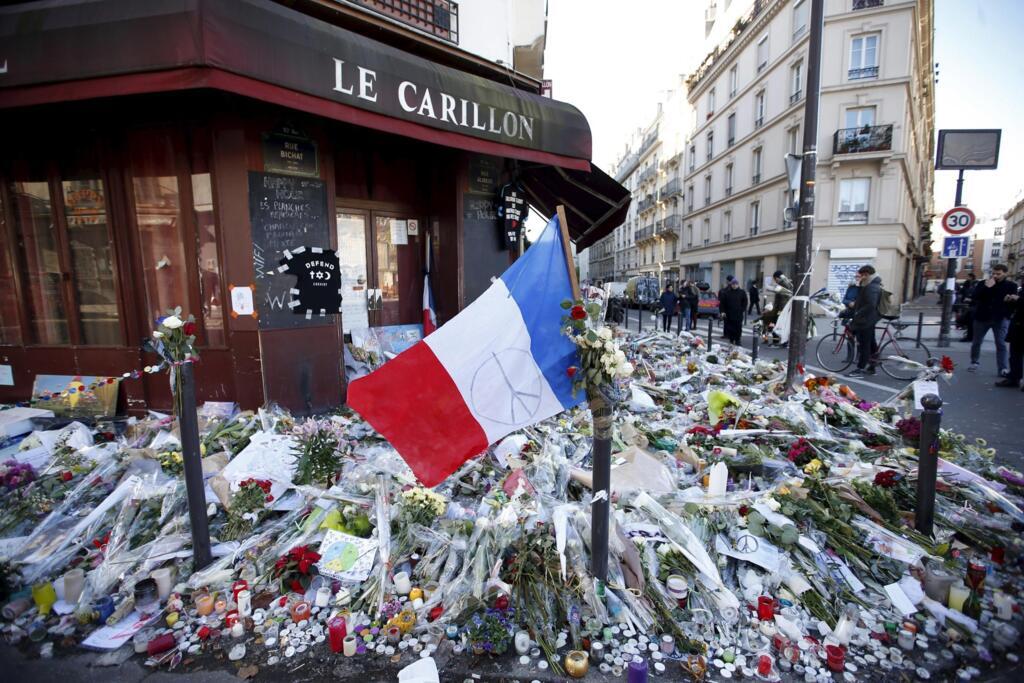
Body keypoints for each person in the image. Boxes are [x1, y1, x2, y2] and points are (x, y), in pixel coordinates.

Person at [968, 264, 1018, 375]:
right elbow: (975, 297)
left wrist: (1007, 314)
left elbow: (1014, 301)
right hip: (982, 317)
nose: (995, 276)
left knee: (1001, 343)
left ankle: (1002, 368)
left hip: (1000, 318)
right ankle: (974, 362)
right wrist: (987, 287)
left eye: (998, 274)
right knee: (976, 341)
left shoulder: (1011, 285)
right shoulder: (983, 283)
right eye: (993, 273)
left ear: (1005, 273)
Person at [848, 265, 883, 377]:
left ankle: (860, 368)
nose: (860, 278)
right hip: (870, 319)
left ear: (866, 274)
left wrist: (858, 313)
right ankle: (872, 366)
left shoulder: (871, 286)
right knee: (871, 343)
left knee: (864, 344)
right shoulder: (872, 284)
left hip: (866, 320)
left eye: (862, 275)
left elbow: (870, 304)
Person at [995, 278, 1023, 389]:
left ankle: (1014, 377)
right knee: (1015, 354)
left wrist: (1019, 299)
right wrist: (1011, 300)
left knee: (1016, 353)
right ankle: (1014, 377)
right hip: (1018, 324)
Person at [719, 277, 748, 345]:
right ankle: (731, 339)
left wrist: (742, 309)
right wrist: (722, 312)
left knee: (738, 327)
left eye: (736, 284)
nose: (734, 285)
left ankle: (738, 340)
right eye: (733, 284)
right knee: (730, 327)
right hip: (729, 313)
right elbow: (722, 303)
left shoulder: (742, 292)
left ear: (738, 285)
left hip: (738, 313)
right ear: (731, 285)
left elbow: (745, 302)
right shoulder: (726, 293)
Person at [957, 273, 977, 342]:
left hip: (973, 306)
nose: (967, 278)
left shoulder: (976, 284)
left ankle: (970, 336)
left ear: (971, 277)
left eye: (968, 277)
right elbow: (961, 291)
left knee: (971, 322)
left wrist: (971, 299)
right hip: (967, 304)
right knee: (967, 320)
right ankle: (969, 335)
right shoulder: (966, 283)